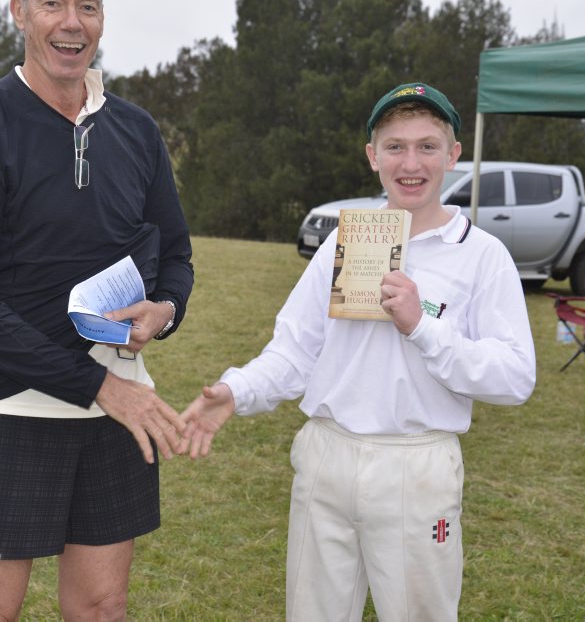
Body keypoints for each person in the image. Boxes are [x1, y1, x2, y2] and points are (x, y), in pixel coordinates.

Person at [179, 82, 536, 620]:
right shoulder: (343, 243)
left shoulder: (482, 255)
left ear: (454, 155)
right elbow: (296, 350)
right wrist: (238, 390)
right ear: (373, 156)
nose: (410, 162)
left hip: (416, 466)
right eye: (394, 146)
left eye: (427, 146)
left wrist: (423, 327)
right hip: (328, 457)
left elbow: (515, 378)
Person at [0, 0, 193, 619]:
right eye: (53, 4)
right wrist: (100, 386)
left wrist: (164, 308)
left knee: (101, 606)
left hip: (117, 410)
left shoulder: (137, 131)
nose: (72, 23)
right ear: (19, 11)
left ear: (103, 19)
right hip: (11, 408)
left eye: (88, 7)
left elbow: (177, 257)